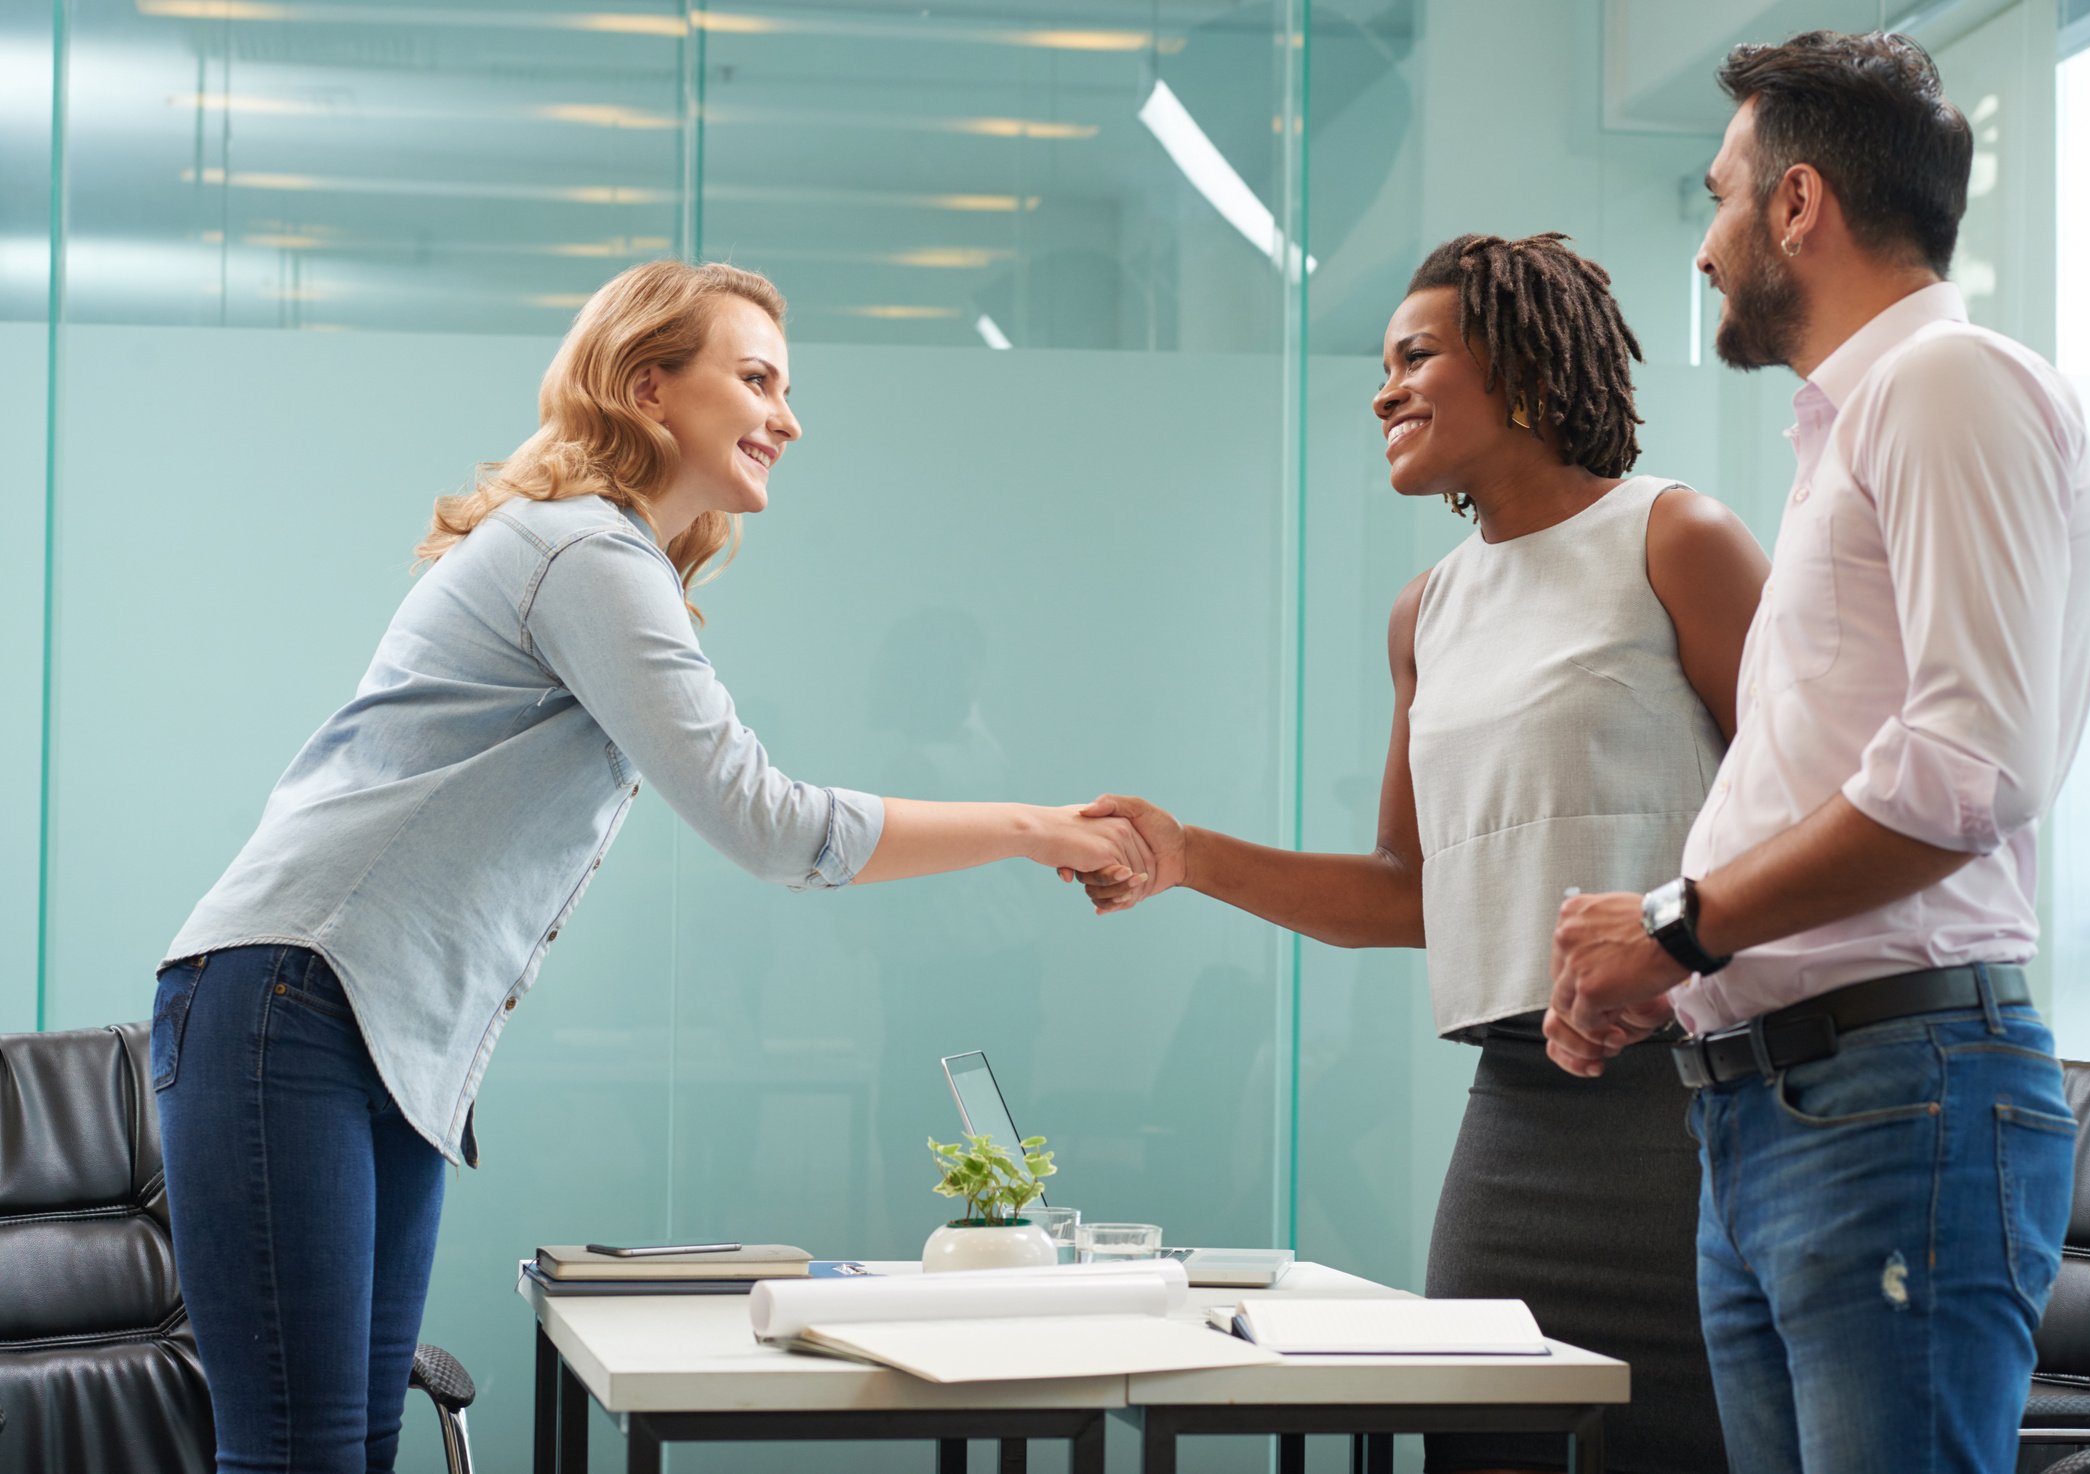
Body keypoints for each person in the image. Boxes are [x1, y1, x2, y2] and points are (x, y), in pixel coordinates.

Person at [150, 259, 1154, 1473]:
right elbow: (769, 823)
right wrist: (1037, 828)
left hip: (370, 1027)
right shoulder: (585, 555)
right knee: (302, 1452)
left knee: (356, 1440)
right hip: (293, 999)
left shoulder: (606, 560)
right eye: (757, 378)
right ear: (648, 388)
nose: (790, 416)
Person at [1072, 233, 1769, 1473]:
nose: (1384, 389)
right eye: (1382, 365)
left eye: (1416, 356)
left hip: (1693, 1115)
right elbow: (1412, 895)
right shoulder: (1427, 609)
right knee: (1474, 1443)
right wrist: (1189, 855)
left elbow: (1800, 810)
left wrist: (1667, 932)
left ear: (1521, 369)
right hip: (1517, 1118)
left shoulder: (1677, 536)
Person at [1544, 31, 2090, 1474]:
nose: (1706, 248)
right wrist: (1680, 975)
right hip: (1796, 1105)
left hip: (1892, 1098)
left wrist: (1678, 925)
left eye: (1722, 197)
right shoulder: (1854, 427)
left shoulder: (1944, 384)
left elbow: (1966, 772)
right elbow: (1844, 761)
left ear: (1800, 205)